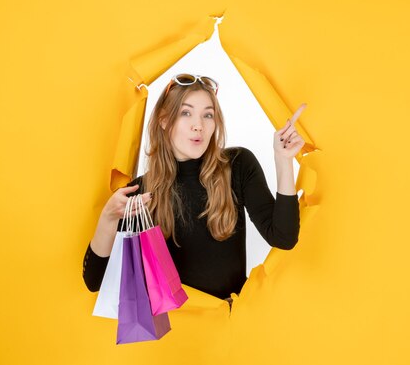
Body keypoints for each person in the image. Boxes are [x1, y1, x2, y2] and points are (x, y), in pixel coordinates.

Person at [82, 74, 305, 302]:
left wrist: (283, 160)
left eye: (208, 115)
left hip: (232, 328)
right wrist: (108, 219)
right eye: (186, 113)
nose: (198, 126)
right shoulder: (141, 193)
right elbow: (94, 282)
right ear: (164, 120)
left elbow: (284, 237)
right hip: (181, 332)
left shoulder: (238, 165)